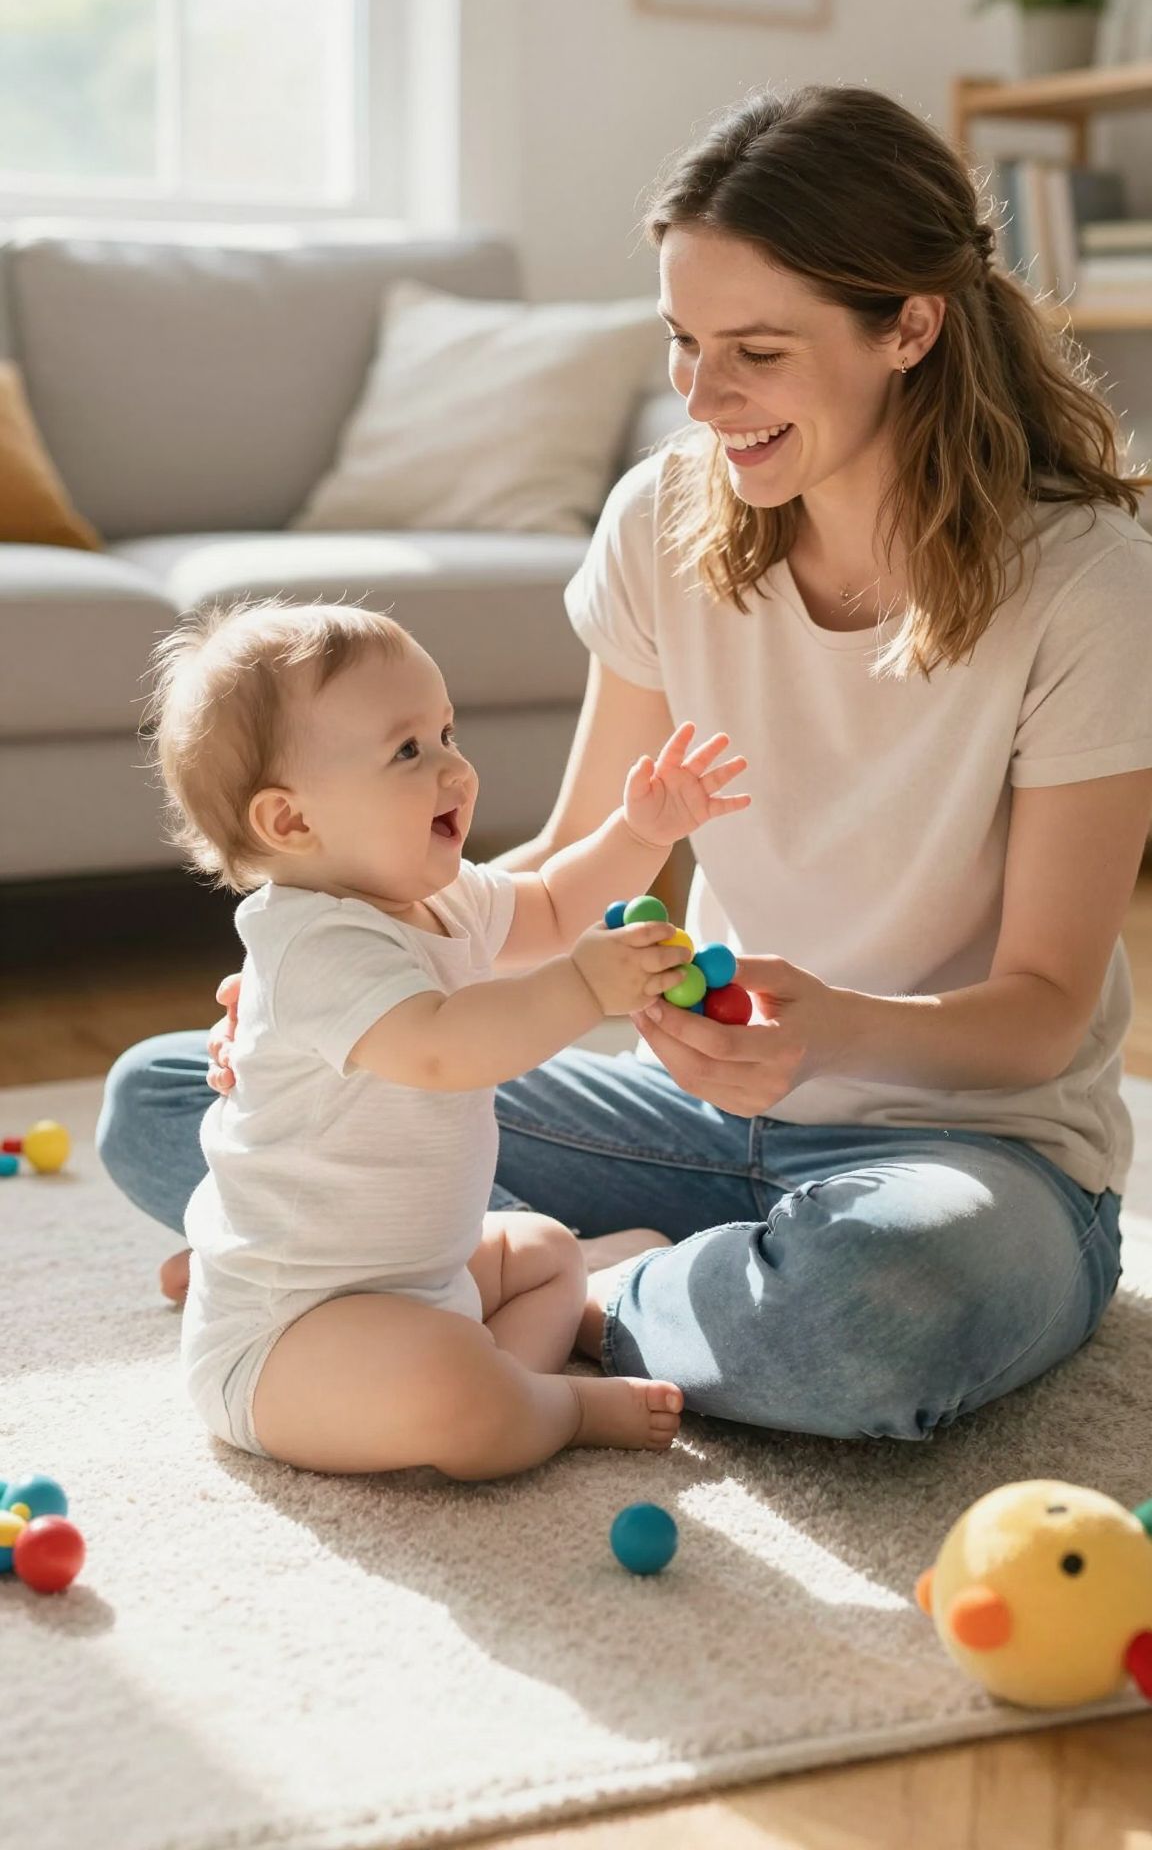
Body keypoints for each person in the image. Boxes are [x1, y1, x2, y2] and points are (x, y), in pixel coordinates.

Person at [100, 80, 1152, 1446]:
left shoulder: (1087, 589)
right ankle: (518, 1284)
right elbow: (574, 874)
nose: (703, 400)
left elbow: (1043, 1012)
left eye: (756, 354)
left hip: (966, 1155)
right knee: (172, 1098)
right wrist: (345, 982)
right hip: (690, 1110)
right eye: (682, 341)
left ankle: (574, 1293)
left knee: (865, 1316)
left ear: (910, 325)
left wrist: (830, 1025)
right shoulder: (666, 519)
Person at [138, 596, 751, 1477]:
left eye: (448, 733)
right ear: (292, 822)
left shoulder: (437, 892)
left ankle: (497, 1384)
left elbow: (546, 907)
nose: (455, 771)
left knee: (542, 1254)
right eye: (409, 751)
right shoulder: (316, 941)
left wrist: (638, 834)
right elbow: (440, 1048)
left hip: (421, 1282)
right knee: (451, 1396)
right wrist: (583, 984)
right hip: (292, 1334)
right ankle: (555, 1406)